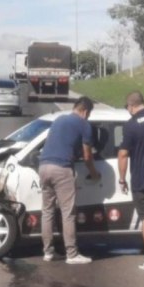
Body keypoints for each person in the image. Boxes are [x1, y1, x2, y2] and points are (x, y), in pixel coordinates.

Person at [39, 96, 100, 264]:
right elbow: (87, 156)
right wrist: (94, 173)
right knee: (68, 213)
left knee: (47, 212)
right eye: (89, 114)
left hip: (44, 166)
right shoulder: (84, 125)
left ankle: (48, 252)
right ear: (85, 111)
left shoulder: (59, 120)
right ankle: (72, 254)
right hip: (62, 168)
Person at [118, 91, 144, 271]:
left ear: (131, 106)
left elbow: (123, 154)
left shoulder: (131, 124)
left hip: (143, 179)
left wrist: (122, 179)